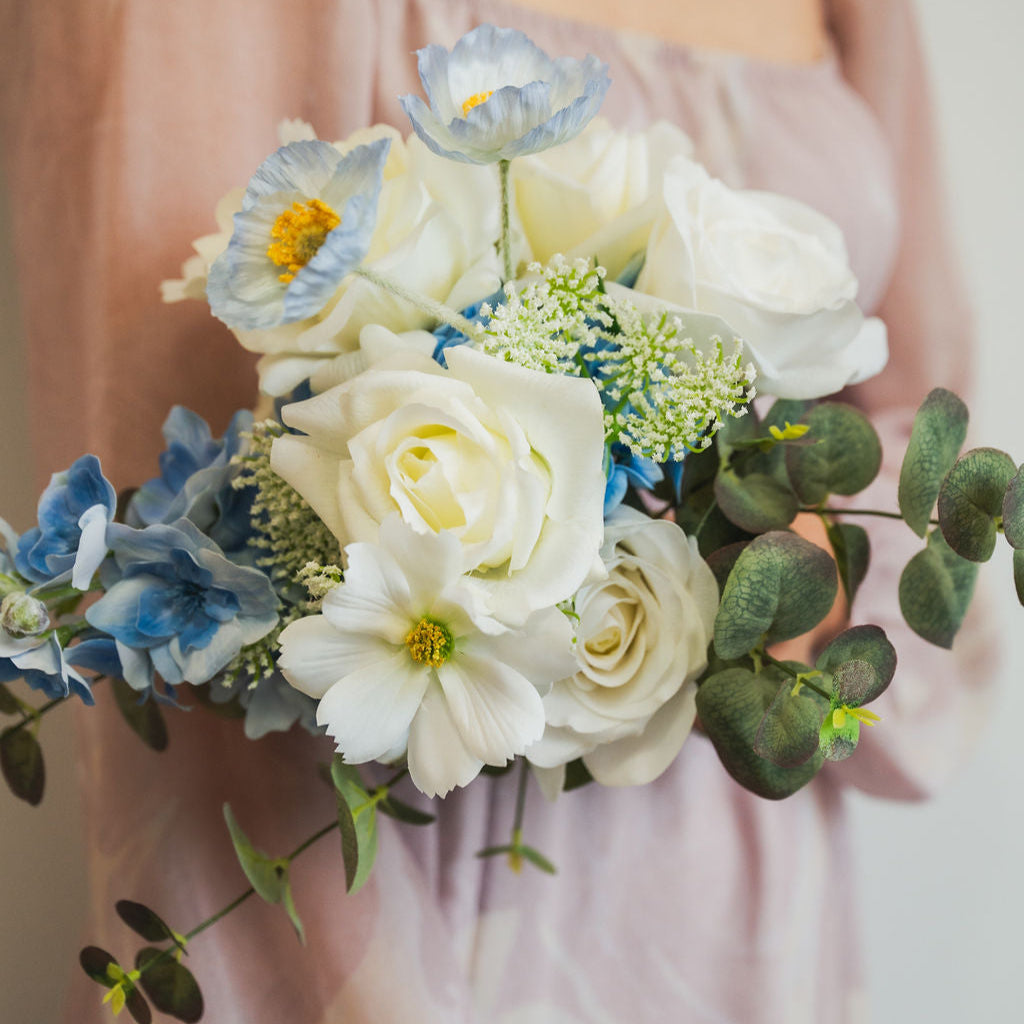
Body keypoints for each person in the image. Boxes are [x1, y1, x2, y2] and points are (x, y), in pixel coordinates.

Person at [0, 1, 994, 1020]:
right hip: (402, 920)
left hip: (747, 908)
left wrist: (798, 590)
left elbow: (919, 415)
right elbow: (176, 590)